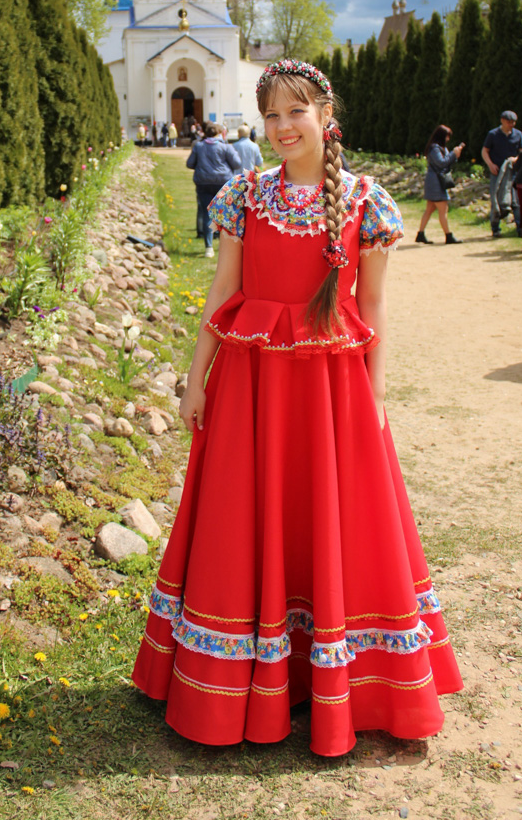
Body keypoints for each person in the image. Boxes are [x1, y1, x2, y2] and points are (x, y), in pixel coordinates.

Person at [133, 58, 462, 757]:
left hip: (331, 392)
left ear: (325, 117)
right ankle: (237, 683)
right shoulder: (243, 196)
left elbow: (371, 309)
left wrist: (372, 400)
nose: (282, 127)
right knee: (246, 518)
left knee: (334, 524)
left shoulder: (366, 202)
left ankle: (349, 686)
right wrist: (196, 380)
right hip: (249, 389)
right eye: (271, 115)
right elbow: (222, 297)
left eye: (295, 112)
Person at [185, 122, 240, 257]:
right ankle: (226, 248)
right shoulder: (225, 146)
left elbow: (190, 163)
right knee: (225, 213)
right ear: (219, 133)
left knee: (206, 214)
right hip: (222, 182)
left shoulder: (199, 146)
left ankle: (208, 247)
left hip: (203, 182)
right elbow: (237, 163)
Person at [415, 126, 464, 245]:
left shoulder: (439, 148)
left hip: (434, 181)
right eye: (447, 136)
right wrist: (453, 153)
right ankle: (448, 235)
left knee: (430, 208)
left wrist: (455, 155)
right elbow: (441, 163)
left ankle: (420, 234)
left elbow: (446, 162)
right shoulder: (435, 148)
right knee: (443, 209)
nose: (448, 139)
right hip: (436, 181)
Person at [481, 111, 522, 236]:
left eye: (513, 122)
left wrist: (516, 159)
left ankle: (520, 228)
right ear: (502, 121)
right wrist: (490, 164)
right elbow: (484, 151)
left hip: (513, 172)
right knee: (496, 199)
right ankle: (495, 228)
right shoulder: (493, 134)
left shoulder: (518, 134)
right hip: (497, 172)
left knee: (516, 201)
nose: (512, 124)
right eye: (509, 122)